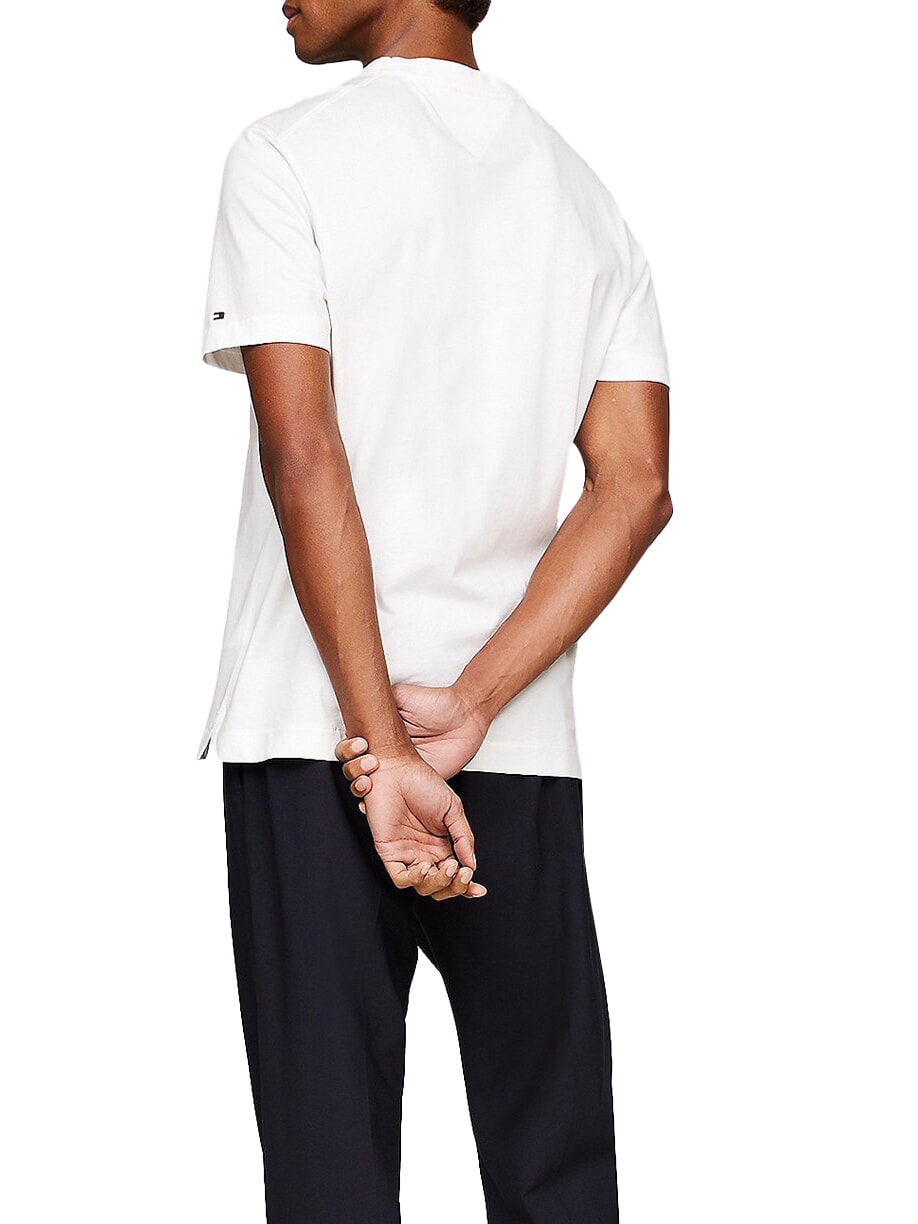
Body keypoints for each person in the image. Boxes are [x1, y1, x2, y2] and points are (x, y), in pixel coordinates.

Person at [196, 0, 673, 1219]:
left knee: (330, 1174)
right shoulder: (583, 197)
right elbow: (634, 486)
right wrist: (470, 702)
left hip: (319, 737)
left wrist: (385, 748)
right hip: (509, 746)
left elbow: (305, 455)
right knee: (557, 1163)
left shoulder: (286, 157)